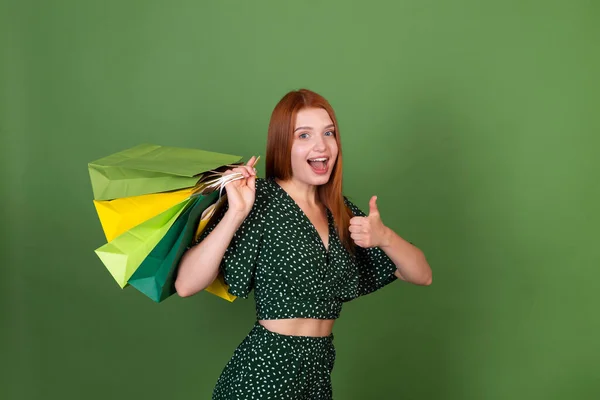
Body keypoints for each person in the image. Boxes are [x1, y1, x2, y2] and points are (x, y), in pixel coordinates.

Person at [174, 88, 432, 399]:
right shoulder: (260, 200)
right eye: (304, 136)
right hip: (264, 374)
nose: (321, 145)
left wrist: (385, 238)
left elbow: (421, 274)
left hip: (316, 375)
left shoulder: (341, 211)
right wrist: (237, 212)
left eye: (328, 133)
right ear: (283, 144)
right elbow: (187, 284)